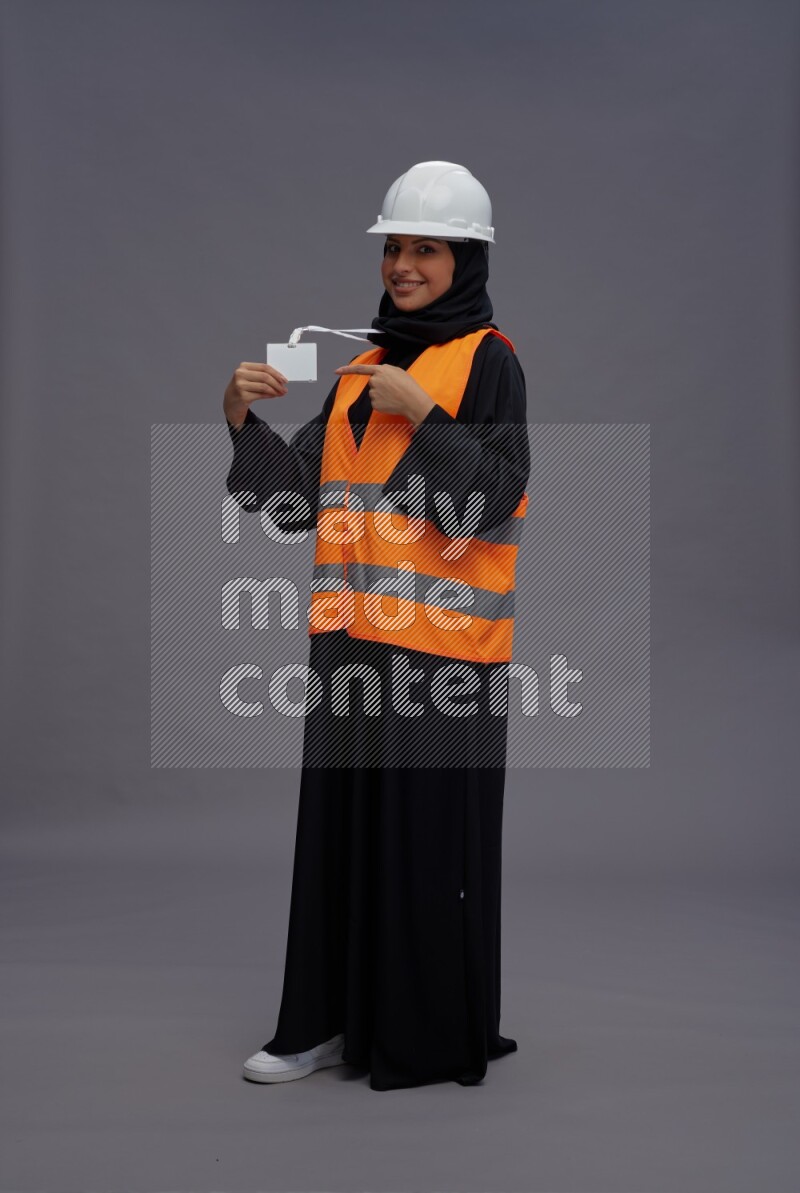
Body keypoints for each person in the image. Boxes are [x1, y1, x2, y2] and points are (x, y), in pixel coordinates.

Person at [224, 161, 530, 1091]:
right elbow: (292, 503)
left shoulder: (490, 360)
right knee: (339, 836)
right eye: (395, 247)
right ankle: (320, 1025)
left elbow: (492, 499)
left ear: (465, 258)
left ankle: (422, 1035)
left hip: (447, 658)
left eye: (424, 248)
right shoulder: (361, 368)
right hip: (352, 645)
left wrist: (426, 413)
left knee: (425, 846)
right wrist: (238, 415)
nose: (403, 264)